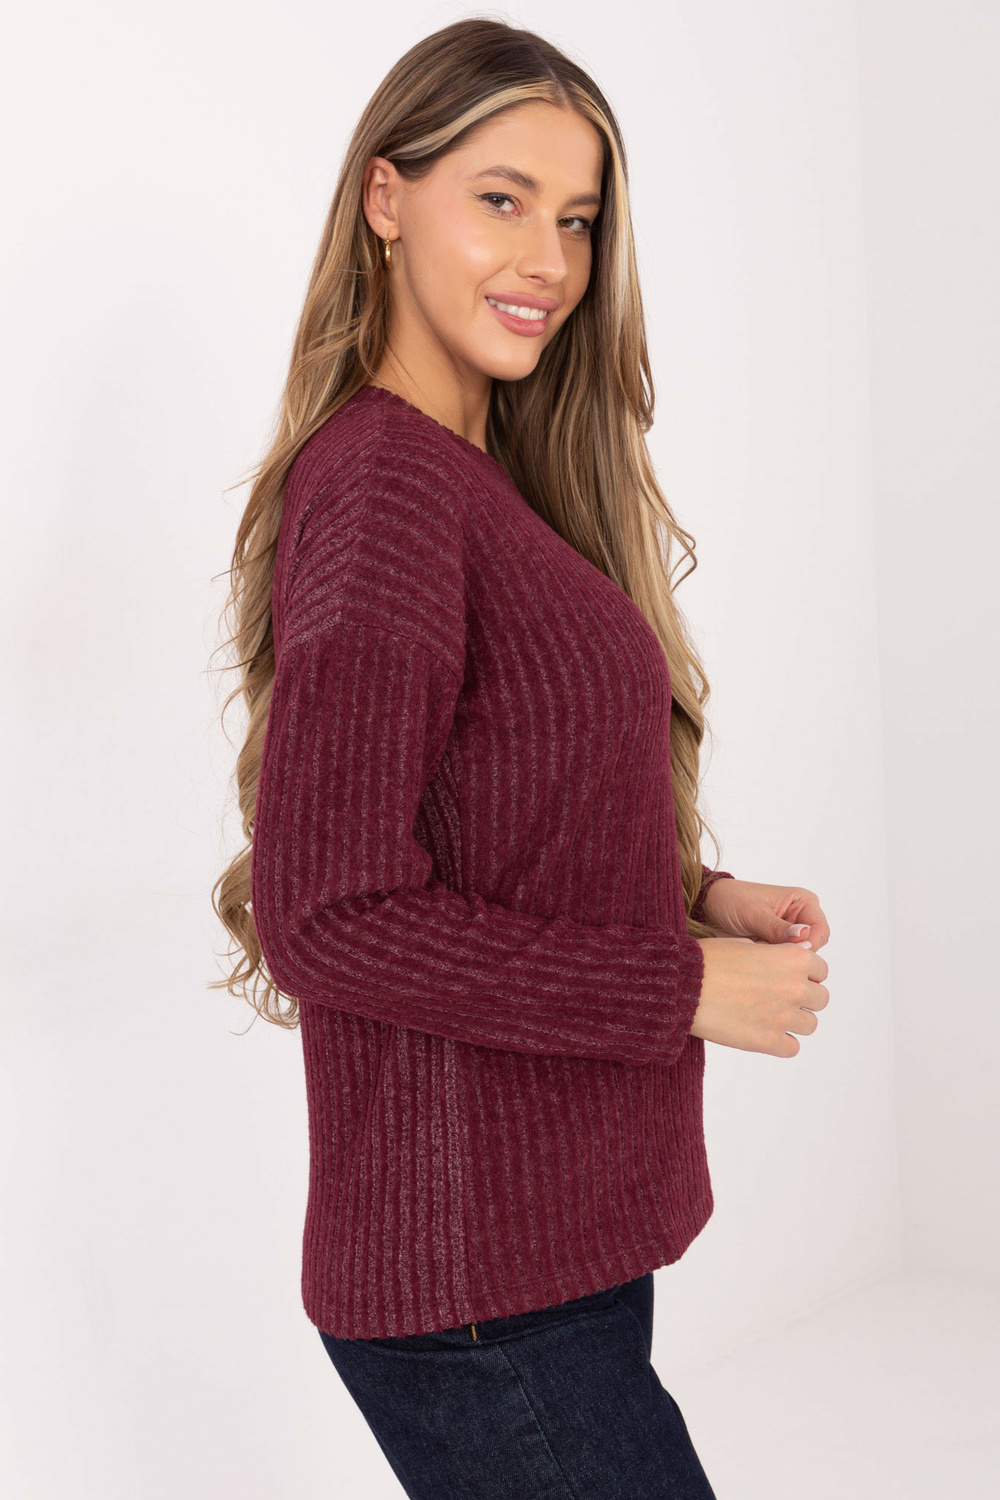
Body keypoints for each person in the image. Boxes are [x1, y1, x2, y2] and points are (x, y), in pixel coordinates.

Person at [211, 17, 830, 1498]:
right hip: (478, 1295)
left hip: (539, 1254)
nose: (548, 259)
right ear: (385, 197)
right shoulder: (386, 489)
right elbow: (330, 913)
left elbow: (488, 806)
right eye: (501, 199)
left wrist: (695, 897)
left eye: (578, 219)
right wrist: (679, 986)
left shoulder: (481, 478)